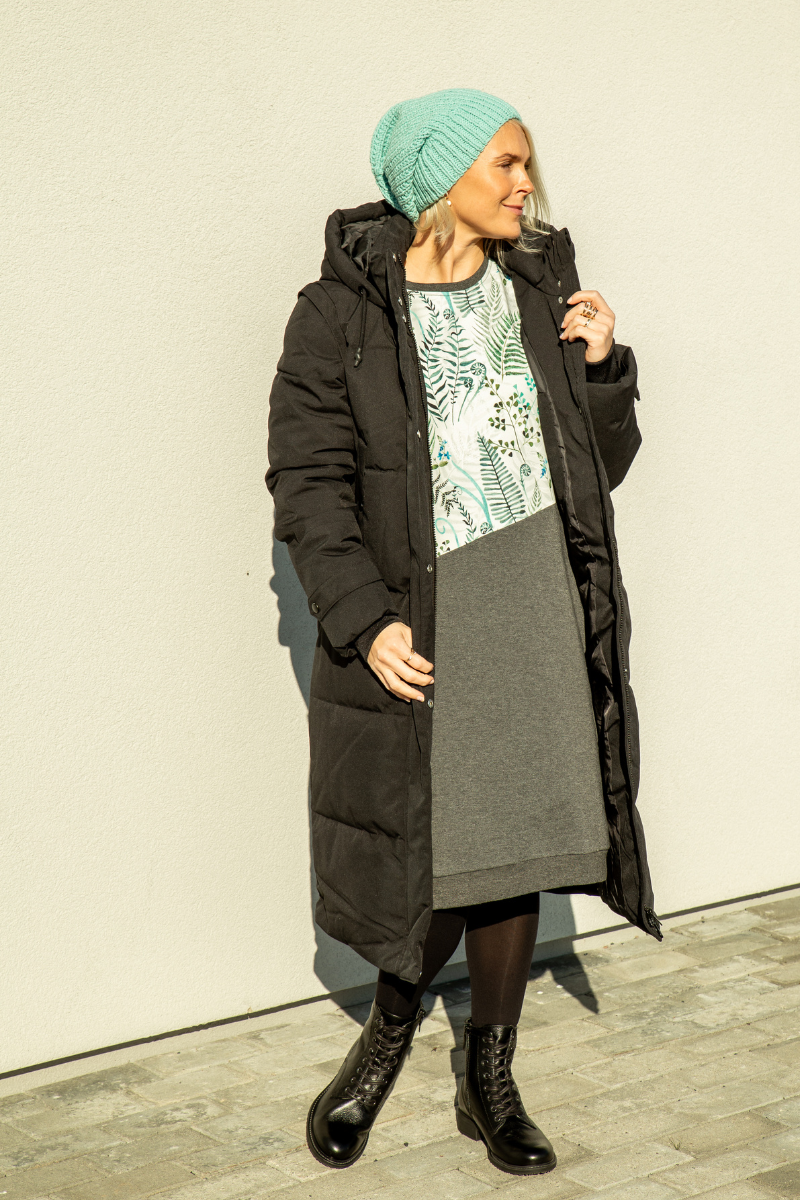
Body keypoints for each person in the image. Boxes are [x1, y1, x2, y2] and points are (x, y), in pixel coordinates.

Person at [266, 87, 661, 1179]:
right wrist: (361, 618)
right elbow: (308, 484)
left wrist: (602, 373)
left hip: (535, 590)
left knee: (516, 833)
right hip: (424, 606)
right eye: (505, 164)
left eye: (526, 164)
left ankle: (489, 1076)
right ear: (442, 179)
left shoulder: (537, 287)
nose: (525, 185)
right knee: (434, 846)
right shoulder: (338, 313)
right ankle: (385, 1043)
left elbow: (597, 472)